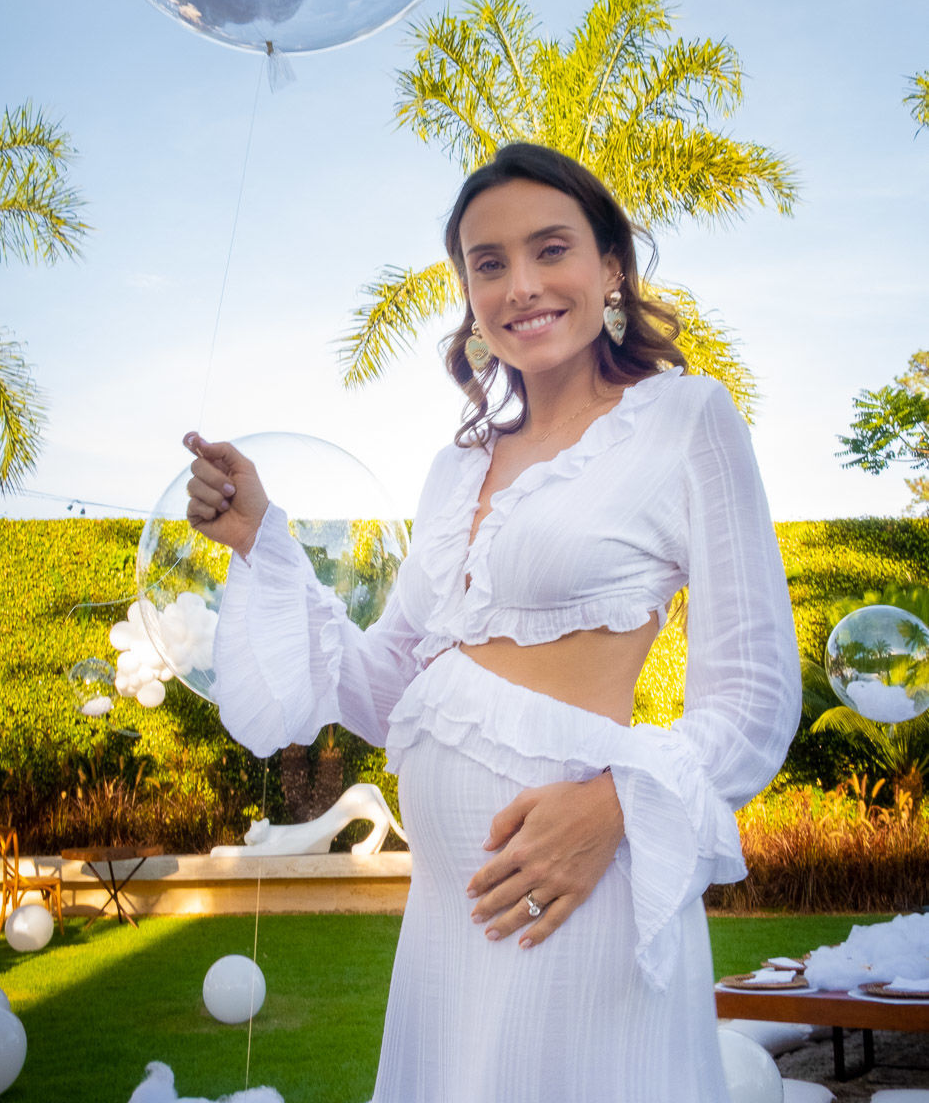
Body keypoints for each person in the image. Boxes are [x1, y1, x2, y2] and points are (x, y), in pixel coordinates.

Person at [185, 143, 802, 1103]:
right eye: (488, 263)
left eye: (550, 250)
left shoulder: (685, 420)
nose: (520, 285)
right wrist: (262, 537)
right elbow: (388, 686)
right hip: (447, 922)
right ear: (468, 292)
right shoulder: (452, 469)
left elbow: (756, 698)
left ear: (610, 268)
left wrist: (611, 807)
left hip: (578, 897)